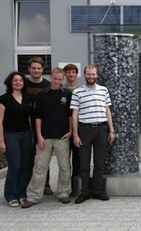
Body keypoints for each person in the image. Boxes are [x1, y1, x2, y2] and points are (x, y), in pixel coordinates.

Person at [21, 68, 73, 208]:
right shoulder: (41, 95)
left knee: (64, 166)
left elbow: (71, 115)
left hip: (62, 136)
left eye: (59, 79)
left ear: (63, 79)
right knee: (40, 167)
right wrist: (39, 136)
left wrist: (71, 131)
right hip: (45, 137)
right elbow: (37, 117)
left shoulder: (67, 94)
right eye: (55, 78)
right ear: (51, 77)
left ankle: (63, 193)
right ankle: (34, 196)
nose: (56, 81)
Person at [70, 64, 116, 204]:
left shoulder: (104, 90)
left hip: (101, 129)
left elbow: (107, 110)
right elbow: (74, 114)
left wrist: (111, 130)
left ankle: (97, 191)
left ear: (97, 75)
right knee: (84, 163)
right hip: (84, 130)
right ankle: (84, 192)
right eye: (88, 74)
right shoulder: (77, 92)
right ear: (85, 75)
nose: (91, 76)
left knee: (99, 162)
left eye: (93, 74)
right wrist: (76, 135)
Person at [0, 72, 33, 207]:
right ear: (10, 82)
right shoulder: (3, 99)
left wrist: (33, 135)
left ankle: (22, 193)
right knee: (15, 166)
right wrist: (1, 140)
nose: (18, 82)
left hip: (26, 135)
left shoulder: (27, 98)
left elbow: (29, 118)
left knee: (26, 166)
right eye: (15, 80)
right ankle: (10, 194)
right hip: (11, 136)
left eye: (20, 80)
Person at [24, 57, 53, 196]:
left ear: (43, 69)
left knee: (43, 158)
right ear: (29, 69)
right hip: (24, 127)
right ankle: (27, 184)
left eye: (39, 68)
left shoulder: (47, 85)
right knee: (28, 157)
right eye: (33, 68)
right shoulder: (23, 84)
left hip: (42, 127)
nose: (36, 70)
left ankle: (46, 184)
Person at [63, 63, 80, 195]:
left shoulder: (81, 89)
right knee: (64, 160)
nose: (71, 74)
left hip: (79, 129)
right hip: (64, 129)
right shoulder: (61, 89)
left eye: (73, 72)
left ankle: (76, 187)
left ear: (76, 74)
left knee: (78, 158)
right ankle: (65, 187)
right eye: (68, 72)